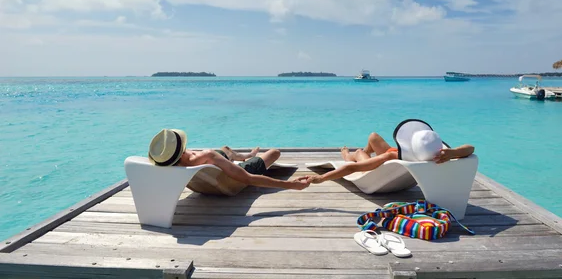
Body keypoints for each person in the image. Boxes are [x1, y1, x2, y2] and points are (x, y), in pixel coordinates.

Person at [148, 128, 310, 190]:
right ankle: (247, 159)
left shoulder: (170, 164)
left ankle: (244, 156)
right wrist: (290, 185)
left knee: (225, 149)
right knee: (275, 152)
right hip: (234, 180)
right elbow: (247, 178)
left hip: (209, 181)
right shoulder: (207, 155)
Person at [308, 130, 475, 184]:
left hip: (382, 166)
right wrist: (452, 153)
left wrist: (321, 178)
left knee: (359, 154)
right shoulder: (438, 154)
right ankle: (365, 152)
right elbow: (470, 149)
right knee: (373, 136)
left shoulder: (393, 156)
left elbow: (353, 168)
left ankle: (348, 153)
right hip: (398, 153)